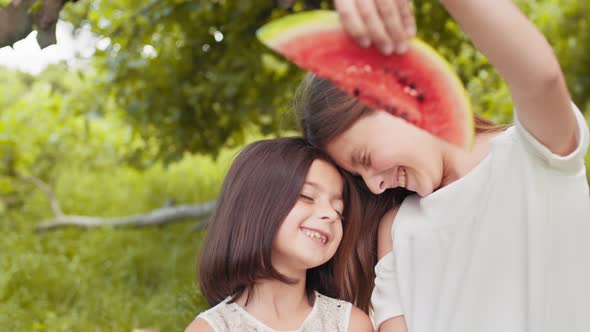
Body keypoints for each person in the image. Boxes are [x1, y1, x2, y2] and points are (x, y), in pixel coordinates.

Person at [298, 1, 590, 331]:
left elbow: (543, 78)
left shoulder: (533, 153)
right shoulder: (397, 228)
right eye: (359, 176)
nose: (374, 185)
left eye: (364, 159)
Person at [185, 137, 374, 332]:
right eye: (307, 196)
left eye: (339, 209)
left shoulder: (350, 324)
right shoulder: (210, 328)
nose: (331, 214)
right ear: (253, 207)